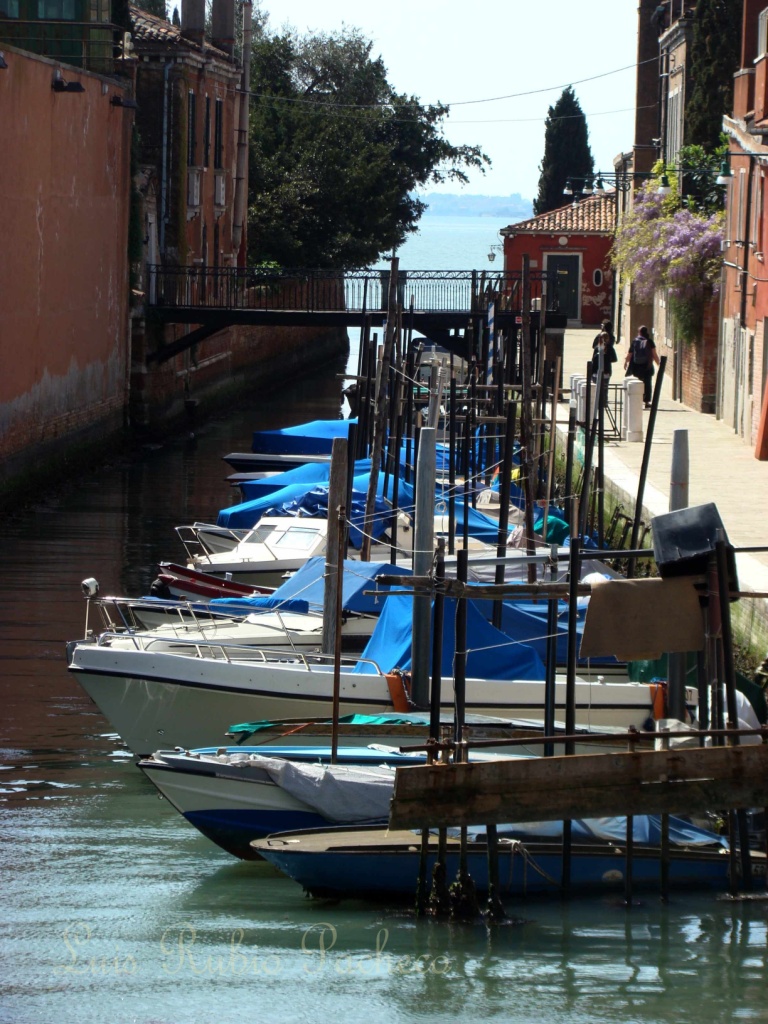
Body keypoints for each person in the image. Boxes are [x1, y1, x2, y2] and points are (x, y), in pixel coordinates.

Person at [624, 325, 660, 408]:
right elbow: (654, 354)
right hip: (647, 366)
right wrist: (658, 363)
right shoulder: (650, 341)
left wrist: (626, 362)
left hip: (636, 367)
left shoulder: (635, 341)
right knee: (647, 384)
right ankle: (647, 402)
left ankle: (638, 401)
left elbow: (630, 353)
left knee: (638, 383)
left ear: (639, 332)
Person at [591, 319, 617, 397]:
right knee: (605, 388)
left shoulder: (597, 346)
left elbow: (593, 348)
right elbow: (614, 359)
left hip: (596, 370)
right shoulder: (612, 340)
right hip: (607, 369)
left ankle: (598, 401)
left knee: (596, 388)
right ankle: (604, 401)